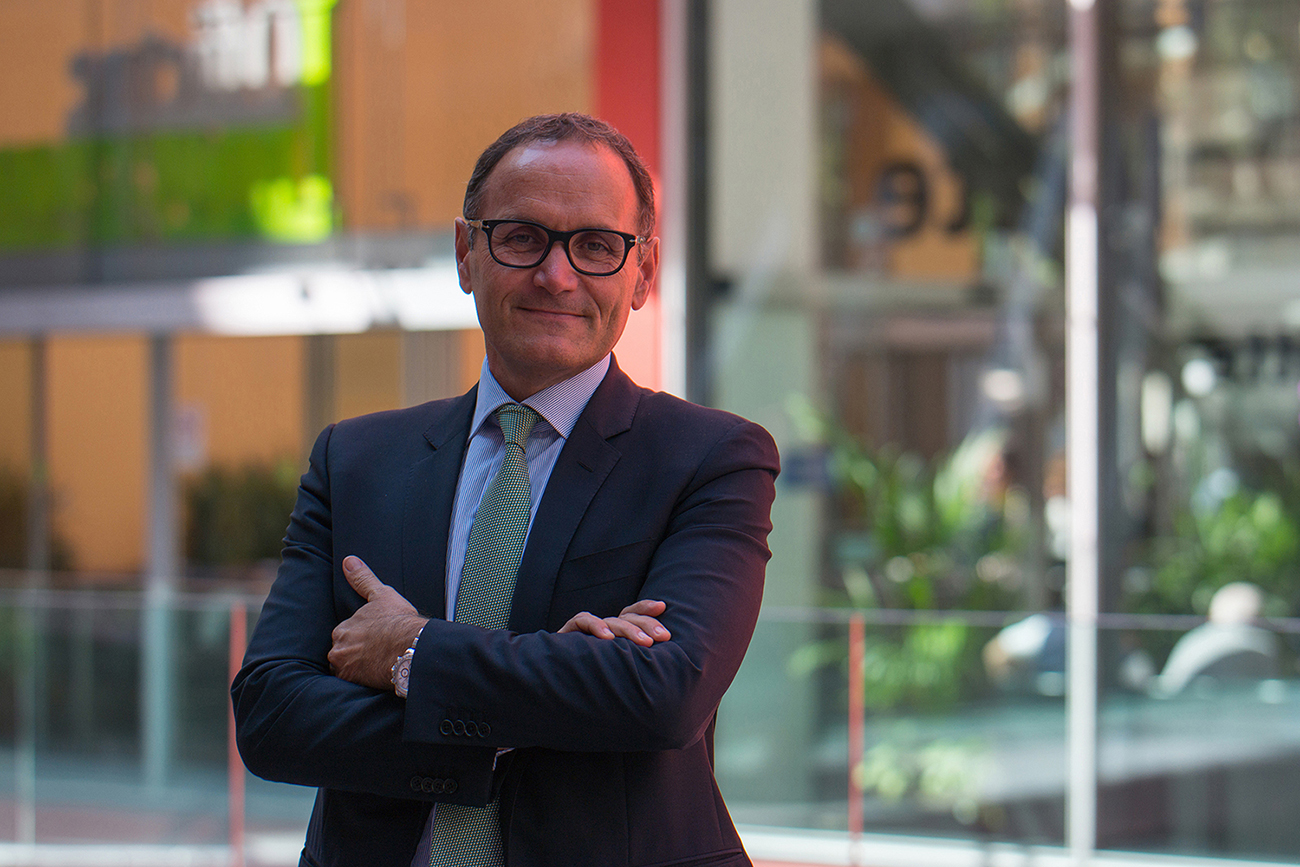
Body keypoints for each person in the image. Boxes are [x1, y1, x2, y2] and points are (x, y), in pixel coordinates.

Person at [231, 113, 780, 867]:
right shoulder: (353, 459)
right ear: (467, 253)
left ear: (644, 272)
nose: (557, 275)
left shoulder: (711, 459)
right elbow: (271, 714)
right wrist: (540, 700)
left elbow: (664, 695)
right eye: (522, 238)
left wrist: (412, 653)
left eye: (596, 246)